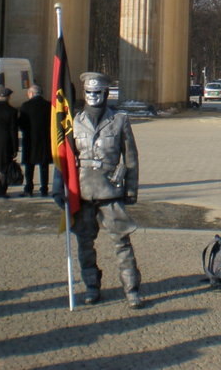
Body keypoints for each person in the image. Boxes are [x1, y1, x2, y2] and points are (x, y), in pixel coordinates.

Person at [54, 72, 143, 308]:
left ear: (106, 93)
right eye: (89, 92)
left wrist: (131, 189)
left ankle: (131, 288)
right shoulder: (74, 120)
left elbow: (131, 157)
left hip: (110, 190)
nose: (93, 96)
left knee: (122, 242)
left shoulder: (120, 120)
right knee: (85, 243)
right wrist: (58, 188)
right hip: (83, 190)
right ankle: (91, 286)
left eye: (98, 92)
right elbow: (64, 157)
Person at [18, 84, 53, 197]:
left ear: (31, 93)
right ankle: (44, 189)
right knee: (44, 165)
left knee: (29, 165)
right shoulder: (48, 106)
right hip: (45, 139)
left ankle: (29, 188)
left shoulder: (25, 106)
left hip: (30, 140)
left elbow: (21, 124)